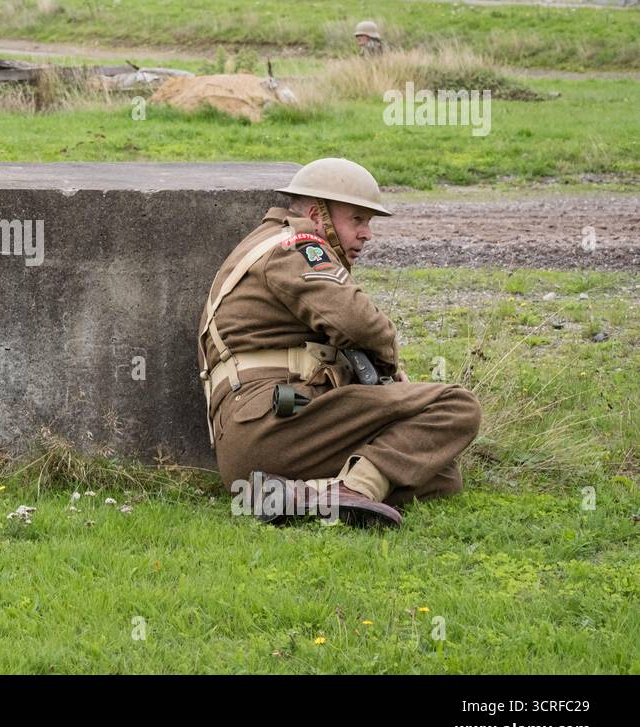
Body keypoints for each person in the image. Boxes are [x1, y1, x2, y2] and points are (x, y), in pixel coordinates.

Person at [196, 158, 482, 527]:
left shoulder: (270, 245)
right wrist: (390, 369)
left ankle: (299, 494)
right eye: (357, 220)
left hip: (261, 434)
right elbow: (357, 322)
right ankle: (349, 491)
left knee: (441, 474)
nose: (367, 234)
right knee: (456, 405)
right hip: (269, 424)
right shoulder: (296, 246)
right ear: (318, 215)